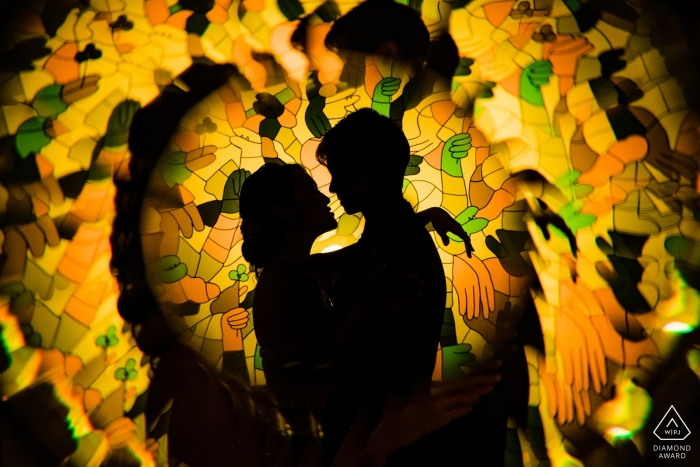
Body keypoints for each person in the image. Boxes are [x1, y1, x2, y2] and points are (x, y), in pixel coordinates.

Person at [314, 108, 481, 465]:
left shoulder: (396, 249)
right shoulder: (390, 237)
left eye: (341, 174)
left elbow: (386, 367)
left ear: (372, 177)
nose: (332, 186)